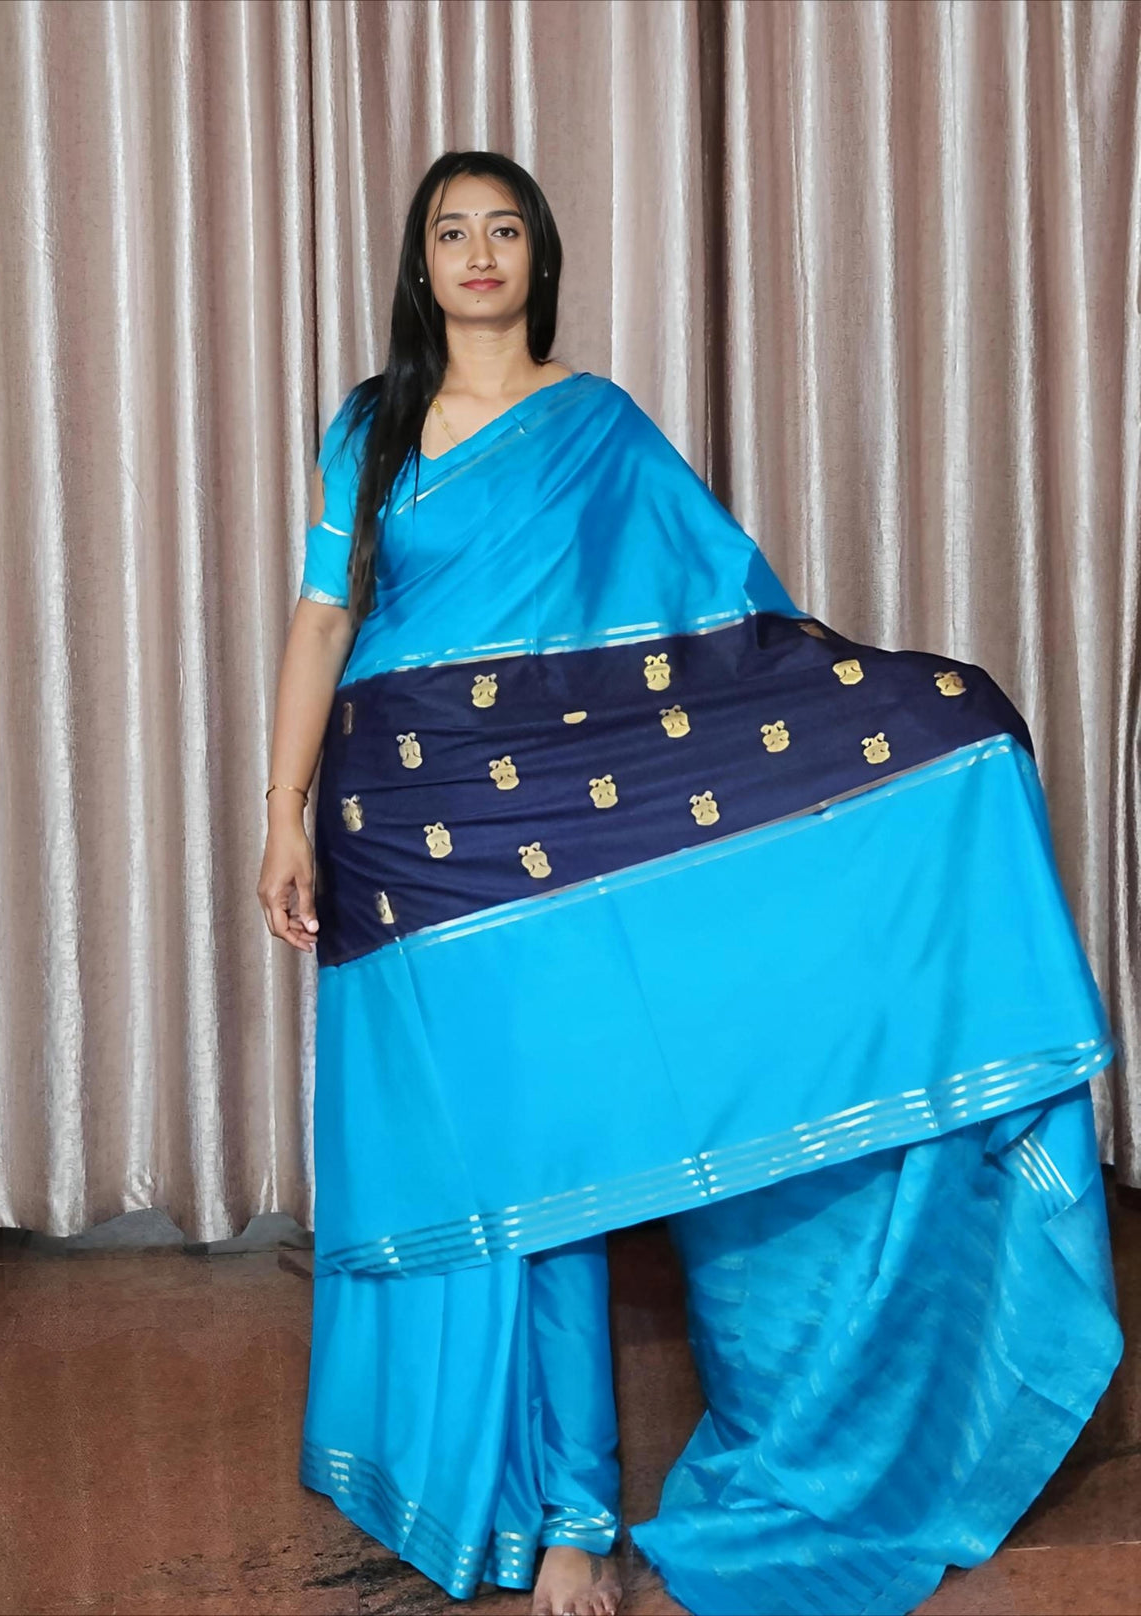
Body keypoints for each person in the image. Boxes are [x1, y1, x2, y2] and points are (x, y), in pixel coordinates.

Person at [257, 150, 1121, 1616]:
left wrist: (894, 714)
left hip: (567, 798)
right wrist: (282, 813)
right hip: (416, 820)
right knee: (513, 1148)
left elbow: (721, 629)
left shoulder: (596, 423)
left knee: (574, 1124)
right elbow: (324, 617)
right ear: (422, 263)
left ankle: (583, 1512)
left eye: (505, 228)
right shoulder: (373, 425)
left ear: (541, 258)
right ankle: (557, 1508)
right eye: (453, 231)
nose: (479, 252)